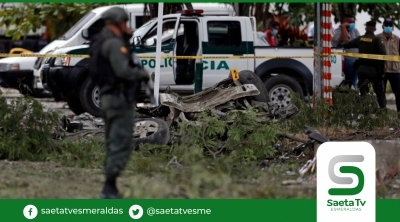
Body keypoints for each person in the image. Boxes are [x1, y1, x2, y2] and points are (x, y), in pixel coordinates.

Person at [88, 7, 150, 199]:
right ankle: (108, 189)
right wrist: (142, 74)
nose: (127, 26)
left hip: (109, 98)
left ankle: (111, 188)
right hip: (118, 99)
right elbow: (122, 71)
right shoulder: (114, 44)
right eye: (125, 22)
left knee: (113, 141)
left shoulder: (103, 41)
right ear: (118, 23)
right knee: (120, 142)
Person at [339, 21, 387, 110]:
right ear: (375, 29)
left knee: (363, 92)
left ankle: (366, 112)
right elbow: (383, 53)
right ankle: (383, 110)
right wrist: (381, 68)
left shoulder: (360, 39)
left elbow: (347, 45)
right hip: (375, 70)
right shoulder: (377, 40)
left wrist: (338, 45)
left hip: (362, 69)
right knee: (379, 92)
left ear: (366, 29)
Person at [377, 17, 400, 113]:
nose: (388, 27)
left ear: (393, 27)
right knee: (381, 93)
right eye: (386, 25)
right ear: (382, 26)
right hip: (382, 70)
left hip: (395, 70)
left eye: (390, 25)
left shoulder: (397, 39)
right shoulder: (377, 38)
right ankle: (383, 114)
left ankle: (399, 114)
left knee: (399, 93)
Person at [332, 14, 361, 89]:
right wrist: (343, 28)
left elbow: (359, 42)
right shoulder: (338, 31)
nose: (352, 24)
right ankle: (350, 88)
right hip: (346, 59)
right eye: (350, 22)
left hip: (356, 58)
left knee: (357, 70)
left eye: (353, 22)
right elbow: (344, 40)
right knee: (352, 69)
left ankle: (353, 88)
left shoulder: (355, 30)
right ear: (344, 22)